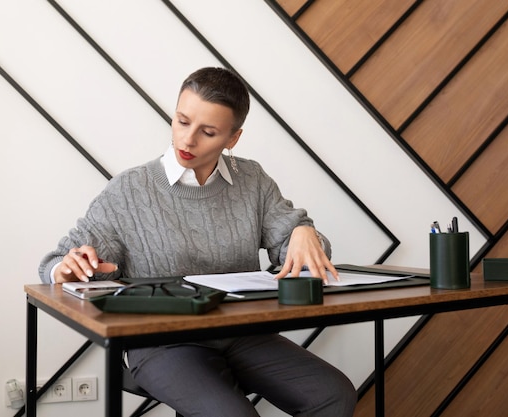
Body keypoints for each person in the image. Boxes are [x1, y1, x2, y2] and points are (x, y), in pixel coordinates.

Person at [39, 67, 356, 417]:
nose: (187, 140)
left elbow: (300, 254)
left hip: (242, 335)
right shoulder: (129, 190)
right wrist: (66, 270)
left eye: (208, 132)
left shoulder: (252, 180)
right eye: (181, 121)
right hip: (162, 342)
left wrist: (304, 231)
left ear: (232, 139)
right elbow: (56, 262)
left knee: (333, 394)